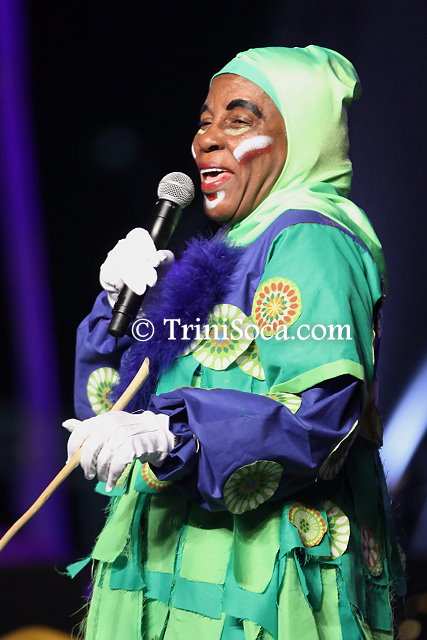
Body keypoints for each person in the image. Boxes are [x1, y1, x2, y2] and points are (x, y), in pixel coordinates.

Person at [64, 46, 405, 640]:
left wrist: (175, 433)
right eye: (204, 122)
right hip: (167, 568)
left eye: (239, 120)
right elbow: (110, 418)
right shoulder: (227, 252)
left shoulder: (311, 239)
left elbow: (320, 423)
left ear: (302, 135)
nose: (207, 139)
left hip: (253, 585)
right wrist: (122, 309)